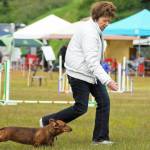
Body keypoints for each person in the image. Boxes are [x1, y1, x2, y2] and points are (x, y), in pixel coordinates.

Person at [40, 1, 118, 145]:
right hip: (79, 74)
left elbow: (93, 62)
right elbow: (92, 62)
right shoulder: (90, 32)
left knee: (104, 102)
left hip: (90, 73)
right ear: (96, 17)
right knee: (81, 108)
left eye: (109, 21)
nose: (107, 23)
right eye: (105, 20)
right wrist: (108, 81)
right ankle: (46, 121)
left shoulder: (94, 28)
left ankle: (100, 139)